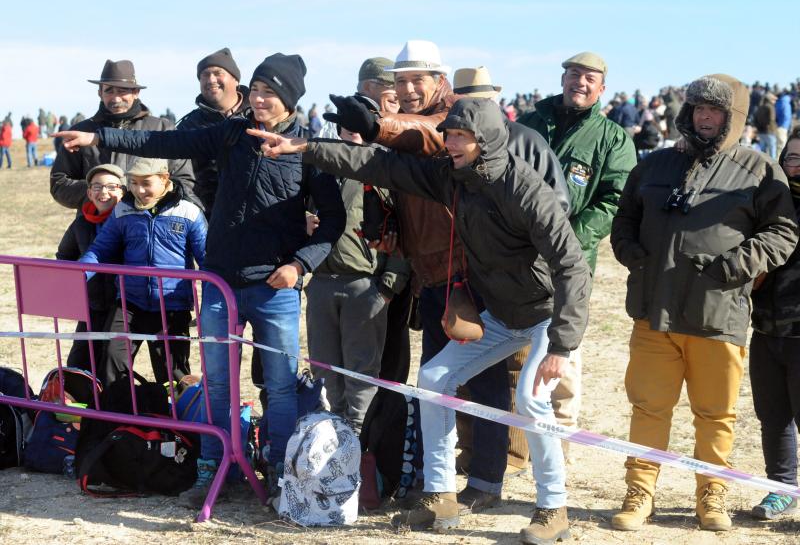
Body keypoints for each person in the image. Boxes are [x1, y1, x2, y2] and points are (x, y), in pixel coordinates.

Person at [249, 96, 592, 544]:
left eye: (460, 137)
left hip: (545, 315)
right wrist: (305, 147)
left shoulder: (526, 190)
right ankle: (440, 496)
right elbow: (379, 166)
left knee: (530, 400)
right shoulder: (452, 178)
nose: (449, 143)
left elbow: (572, 266)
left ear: (485, 141)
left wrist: (563, 345)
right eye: (448, 134)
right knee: (433, 377)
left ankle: (553, 508)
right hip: (500, 315)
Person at [56, 52, 346, 506]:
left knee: (281, 384)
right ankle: (213, 469)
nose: (260, 99)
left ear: (289, 99)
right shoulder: (231, 134)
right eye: (256, 91)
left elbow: (332, 221)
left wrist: (299, 265)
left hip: (275, 289)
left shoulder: (307, 152)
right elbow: (164, 145)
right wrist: (96, 134)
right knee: (215, 385)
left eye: (271, 93)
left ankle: (283, 476)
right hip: (219, 286)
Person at [610, 74, 798, 532]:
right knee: (648, 408)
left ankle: (711, 496)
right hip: (654, 314)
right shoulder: (653, 166)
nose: (704, 118)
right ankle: (639, 494)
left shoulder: (758, 170)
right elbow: (624, 221)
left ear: (732, 118)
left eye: (714, 111)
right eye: (697, 109)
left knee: (715, 415)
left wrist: (734, 268)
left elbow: (783, 232)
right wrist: (636, 257)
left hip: (718, 316)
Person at [517, 52, 637, 449]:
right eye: (573, 75)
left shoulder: (612, 139)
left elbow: (614, 200)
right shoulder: (530, 124)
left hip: (570, 261)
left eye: (589, 78)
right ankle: (517, 442)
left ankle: (561, 441)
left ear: (602, 88)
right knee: (516, 348)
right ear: (562, 79)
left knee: (562, 352)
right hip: (517, 256)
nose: (579, 83)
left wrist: (567, 240)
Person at [306, 125, 410, 432]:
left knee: (362, 371)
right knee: (323, 368)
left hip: (365, 284)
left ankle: (360, 439)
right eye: (344, 128)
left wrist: (389, 285)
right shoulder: (318, 173)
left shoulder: (384, 172)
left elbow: (406, 231)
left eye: (356, 128)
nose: (350, 134)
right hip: (321, 282)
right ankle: (332, 435)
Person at [78, 158, 207, 387]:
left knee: (173, 373)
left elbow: (207, 260)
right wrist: (79, 274)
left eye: (146, 183)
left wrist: (210, 305)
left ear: (164, 179)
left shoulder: (189, 212)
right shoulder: (123, 211)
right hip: (129, 303)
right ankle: (118, 417)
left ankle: (176, 420)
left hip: (171, 307)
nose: (139, 190)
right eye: (134, 183)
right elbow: (100, 249)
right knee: (112, 360)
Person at [50, 59, 197, 211]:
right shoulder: (81, 132)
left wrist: (147, 197)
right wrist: (99, 193)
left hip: (148, 226)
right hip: (95, 228)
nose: (116, 98)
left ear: (136, 92)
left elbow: (184, 181)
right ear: (100, 92)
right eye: (109, 91)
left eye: (122, 91)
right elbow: (59, 183)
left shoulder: (163, 129)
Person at [748, 127, 800, 520]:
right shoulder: (766, 207)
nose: (796, 166)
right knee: (773, 416)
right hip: (766, 330)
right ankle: (780, 488)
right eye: (791, 158)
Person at [57, 163, 126, 376]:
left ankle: (110, 406)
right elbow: (64, 256)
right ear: (88, 192)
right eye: (97, 187)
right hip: (93, 303)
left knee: (110, 359)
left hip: (123, 305)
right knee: (78, 361)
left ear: (122, 191)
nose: (103, 193)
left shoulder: (130, 221)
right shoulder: (81, 224)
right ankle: (81, 405)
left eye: (111, 187)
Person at [177, 47, 249, 219]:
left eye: (218, 73)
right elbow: (180, 177)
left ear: (235, 79)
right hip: (207, 219)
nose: (210, 79)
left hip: (256, 220)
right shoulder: (189, 126)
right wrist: (200, 212)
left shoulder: (258, 116)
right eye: (204, 75)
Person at [755, 92, 778, 158]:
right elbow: (772, 119)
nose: (775, 101)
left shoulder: (760, 107)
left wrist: (758, 127)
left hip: (760, 131)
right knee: (772, 150)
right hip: (769, 131)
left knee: (762, 151)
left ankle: (762, 165)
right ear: (770, 99)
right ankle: (773, 165)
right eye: (774, 99)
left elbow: (755, 119)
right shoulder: (771, 107)